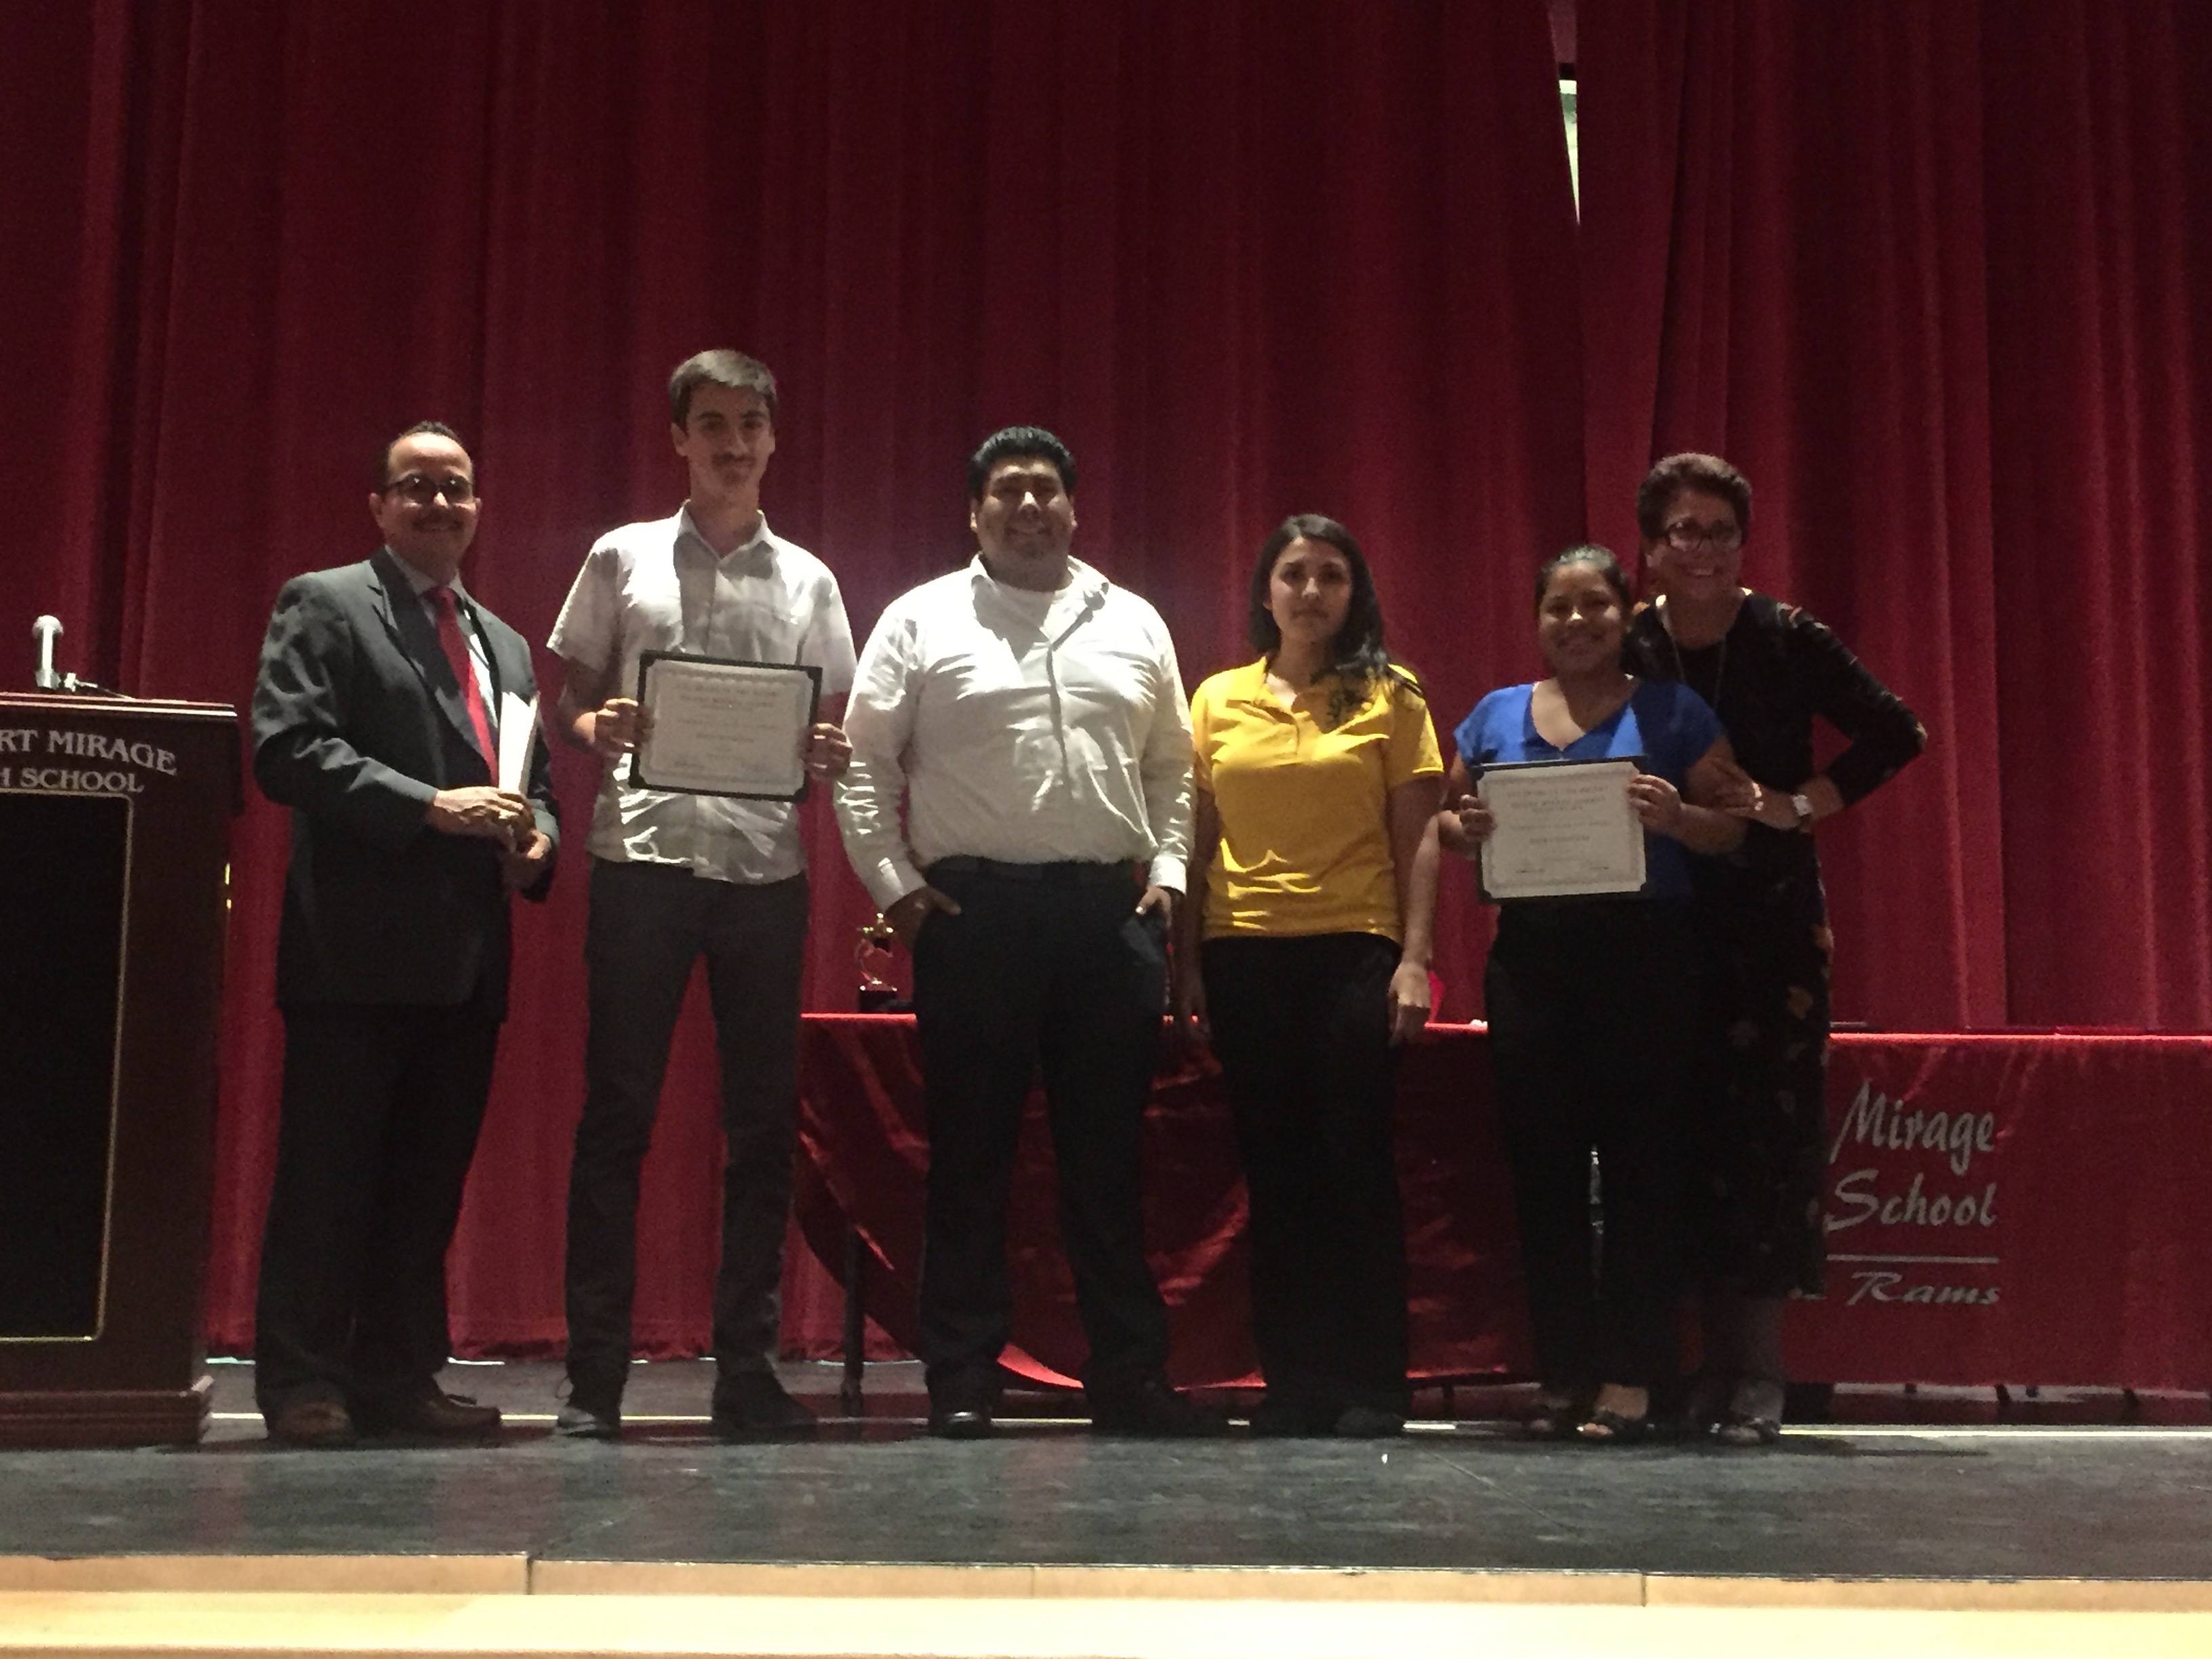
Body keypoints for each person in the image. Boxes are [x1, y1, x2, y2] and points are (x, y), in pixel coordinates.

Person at [836, 426, 1218, 1440]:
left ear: (1075, 509)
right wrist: (897, 889)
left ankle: (1128, 1376)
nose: (1029, 507)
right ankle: (962, 1378)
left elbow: (1173, 769)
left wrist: (1169, 874)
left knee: (1109, 1165)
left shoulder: (1133, 620)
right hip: (973, 918)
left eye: (1047, 490)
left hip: (1107, 920)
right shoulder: (919, 618)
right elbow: (865, 764)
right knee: (969, 1160)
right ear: (975, 512)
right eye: (1007, 491)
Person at [546, 350, 856, 1440]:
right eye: (713, 424)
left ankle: (747, 1374)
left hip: (764, 869)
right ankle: (594, 1381)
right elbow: (571, 703)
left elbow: (827, 728)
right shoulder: (620, 555)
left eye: (750, 424)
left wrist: (824, 752)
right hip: (641, 860)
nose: (733, 443)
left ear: (774, 438)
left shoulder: (812, 580)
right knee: (616, 1119)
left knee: (763, 1130)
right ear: (678, 437)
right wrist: (596, 727)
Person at [251, 421, 558, 1446]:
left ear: (479, 508)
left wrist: (537, 844)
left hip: (467, 963)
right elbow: (287, 748)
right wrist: (430, 805)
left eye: (456, 488)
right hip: (354, 955)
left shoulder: (505, 644)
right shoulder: (327, 602)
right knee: (327, 1183)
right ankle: (304, 1381)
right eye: (417, 487)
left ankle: (398, 1378)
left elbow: (536, 786)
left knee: (425, 1190)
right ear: (379, 506)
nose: (439, 504)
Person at [1624, 452, 1926, 1445]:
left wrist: (1798, 805)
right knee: (1676, 1135)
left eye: (1721, 532)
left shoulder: (1788, 636)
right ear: (1651, 547)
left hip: (1772, 922)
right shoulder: (1629, 642)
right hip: (1659, 915)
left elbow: (1897, 732)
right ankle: (1696, 1369)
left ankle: (1758, 1371)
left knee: (1766, 1139)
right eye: (1684, 531)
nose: (1703, 550)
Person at [1440, 546, 1742, 1442]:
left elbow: (1734, 825)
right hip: (1533, 965)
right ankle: (1563, 1376)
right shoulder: (1493, 715)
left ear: (1626, 613)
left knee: (1645, 1173)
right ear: (1537, 620)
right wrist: (1466, 828)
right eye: (1559, 609)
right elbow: (1450, 823)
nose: (1577, 623)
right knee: (1545, 1178)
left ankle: (1634, 1376)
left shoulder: (1675, 711)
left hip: (1645, 962)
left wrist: (1678, 818)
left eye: (1595, 606)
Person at [1174, 515, 1442, 1438]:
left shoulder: (1391, 694)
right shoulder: (1217, 699)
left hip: (1354, 950)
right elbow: (1194, 843)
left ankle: (1374, 1382)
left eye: (1332, 575)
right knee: (1277, 1174)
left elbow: (1419, 837)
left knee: (1353, 1165)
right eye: (1294, 574)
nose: (1312, 591)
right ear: (1265, 592)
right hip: (1243, 952)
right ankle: (1294, 1381)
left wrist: (1416, 959)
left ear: (1354, 593)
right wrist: (1187, 964)